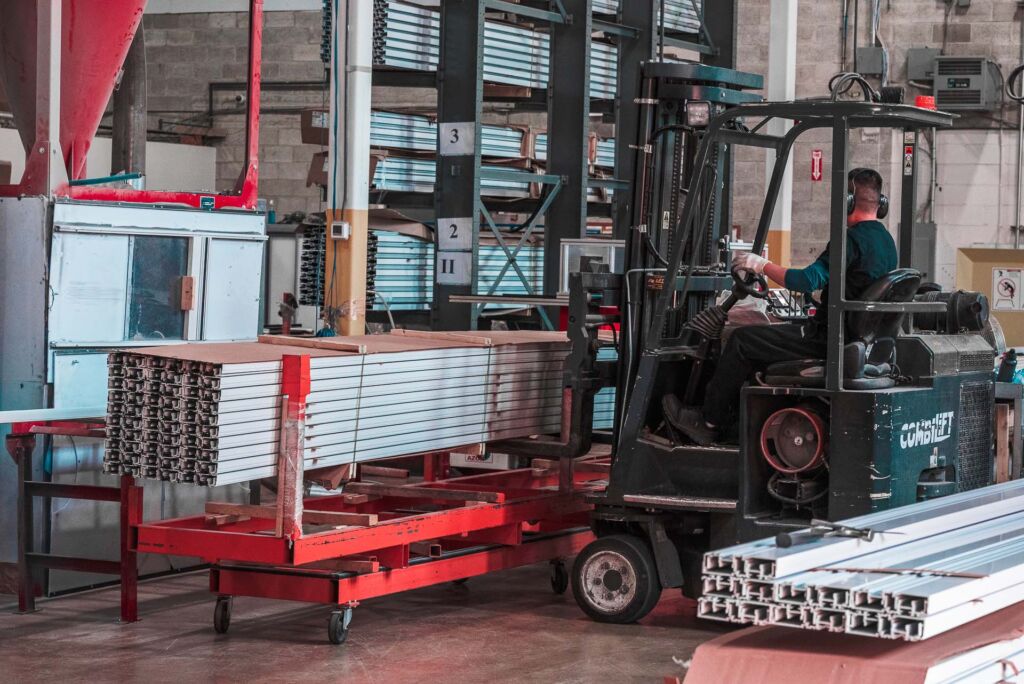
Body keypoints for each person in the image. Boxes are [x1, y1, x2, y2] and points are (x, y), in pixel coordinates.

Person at [662, 167, 898, 446]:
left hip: (826, 339)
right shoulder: (887, 242)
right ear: (880, 204)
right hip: (854, 338)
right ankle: (735, 427)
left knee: (739, 340)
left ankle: (709, 422)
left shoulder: (851, 240)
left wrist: (760, 264)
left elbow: (805, 280)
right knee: (765, 333)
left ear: (847, 201)